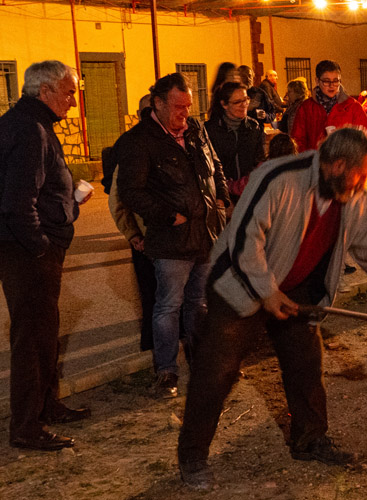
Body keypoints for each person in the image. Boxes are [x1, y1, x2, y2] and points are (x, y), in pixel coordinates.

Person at [177, 127, 367, 490]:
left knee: (305, 365)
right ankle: (192, 457)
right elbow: (243, 240)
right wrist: (267, 292)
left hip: (299, 289)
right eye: (360, 174)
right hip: (241, 285)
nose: (363, 184)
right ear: (338, 165)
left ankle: (309, 439)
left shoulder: (354, 198)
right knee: (216, 372)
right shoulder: (278, 178)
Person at [117, 73, 231, 399]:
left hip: (206, 234)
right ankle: (166, 371)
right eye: (179, 107)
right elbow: (131, 192)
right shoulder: (140, 141)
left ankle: (202, 365)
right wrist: (169, 216)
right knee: (168, 306)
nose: (185, 113)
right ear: (158, 103)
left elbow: (216, 167)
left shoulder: (195, 130)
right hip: (171, 240)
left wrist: (221, 198)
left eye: (189, 106)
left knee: (200, 303)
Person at [0, 60, 92, 451]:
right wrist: (40, 246)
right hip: (27, 250)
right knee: (32, 337)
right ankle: (26, 426)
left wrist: (67, 200)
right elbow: (18, 202)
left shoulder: (26, 123)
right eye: (69, 92)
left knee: (45, 331)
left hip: (28, 244)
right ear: (45, 90)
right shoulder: (31, 129)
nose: (73, 101)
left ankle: (46, 405)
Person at [106, 94, 157, 357]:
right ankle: (155, 355)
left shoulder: (176, 140)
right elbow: (117, 199)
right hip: (146, 238)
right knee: (151, 298)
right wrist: (133, 234)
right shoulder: (129, 145)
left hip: (178, 237)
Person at [290, 60, 367, 152]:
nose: (332, 86)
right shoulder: (306, 108)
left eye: (335, 81)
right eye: (326, 81)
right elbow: (297, 139)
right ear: (317, 81)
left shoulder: (352, 106)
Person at [205, 81, 266, 202]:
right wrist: (223, 198)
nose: (244, 105)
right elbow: (209, 170)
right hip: (224, 198)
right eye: (237, 102)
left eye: (246, 99)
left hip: (250, 194)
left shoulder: (254, 127)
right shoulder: (211, 130)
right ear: (224, 104)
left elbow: (260, 160)